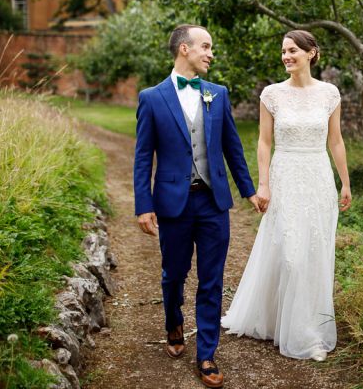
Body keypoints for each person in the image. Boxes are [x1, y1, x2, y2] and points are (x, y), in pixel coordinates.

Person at [134, 24, 260, 388]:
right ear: (185, 49)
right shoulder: (152, 98)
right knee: (174, 275)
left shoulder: (217, 94)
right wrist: (144, 205)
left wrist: (249, 191)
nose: (211, 53)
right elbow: (143, 158)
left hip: (213, 202)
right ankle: (174, 323)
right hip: (172, 204)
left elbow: (233, 147)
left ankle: (206, 353)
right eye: (206, 46)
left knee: (212, 278)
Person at [221, 29, 351, 361]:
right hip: (285, 175)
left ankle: (305, 324)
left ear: (312, 53)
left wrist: (345, 183)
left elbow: (335, 141)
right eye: (283, 52)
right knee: (291, 254)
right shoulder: (272, 95)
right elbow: (264, 142)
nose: (286, 56)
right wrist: (262, 184)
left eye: (292, 50)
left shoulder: (330, 94)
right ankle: (297, 332)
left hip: (319, 177)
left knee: (313, 252)